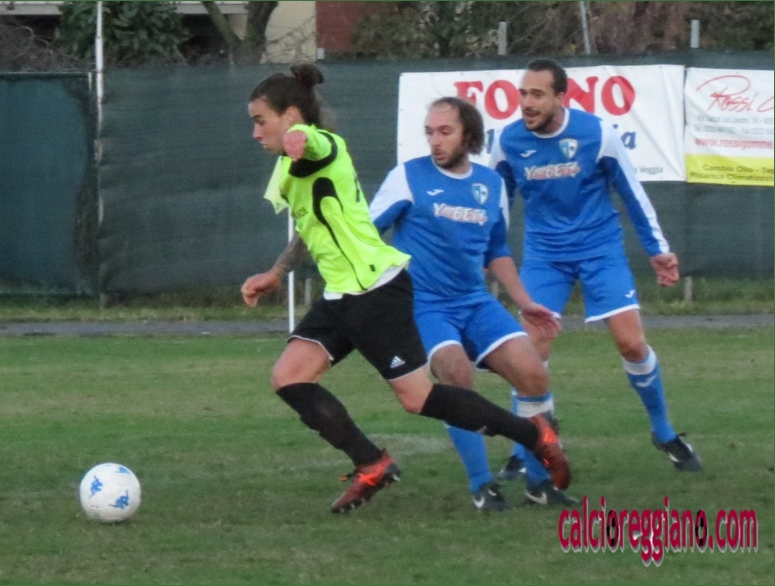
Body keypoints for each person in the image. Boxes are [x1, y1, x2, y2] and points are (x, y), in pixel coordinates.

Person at [240, 63, 570, 514]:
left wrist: (303, 137)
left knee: (418, 399)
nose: (256, 132)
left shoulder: (322, 148)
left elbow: (317, 142)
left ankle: (533, 434)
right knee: (288, 377)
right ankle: (371, 463)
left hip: (375, 292)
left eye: (261, 121)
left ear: (292, 116)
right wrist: (277, 271)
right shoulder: (288, 164)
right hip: (341, 294)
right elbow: (310, 224)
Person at [489, 58, 701, 487]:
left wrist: (658, 251)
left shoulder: (597, 134)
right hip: (545, 255)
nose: (526, 103)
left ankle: (663, 432)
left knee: (631, 343)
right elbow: (496, 205)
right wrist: (484, 252)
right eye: (522, 94)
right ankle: (522, 449)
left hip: (600, 250)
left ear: (560, 97)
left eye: (537, 94)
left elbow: (631, 192)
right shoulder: (508, 141)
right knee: (528, 354)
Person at [369, 97, 577, 510]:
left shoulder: (491, 184)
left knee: (533, 372)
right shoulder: (407, 177)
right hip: (426, 305)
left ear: (469, 135)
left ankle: (540, 485)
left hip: (475, 302)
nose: (435, 141)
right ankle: (483, 485)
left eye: (445, 132)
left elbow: (496, 249)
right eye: (430, 132)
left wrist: (525, 301)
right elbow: (366, 233)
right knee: (455, 374)